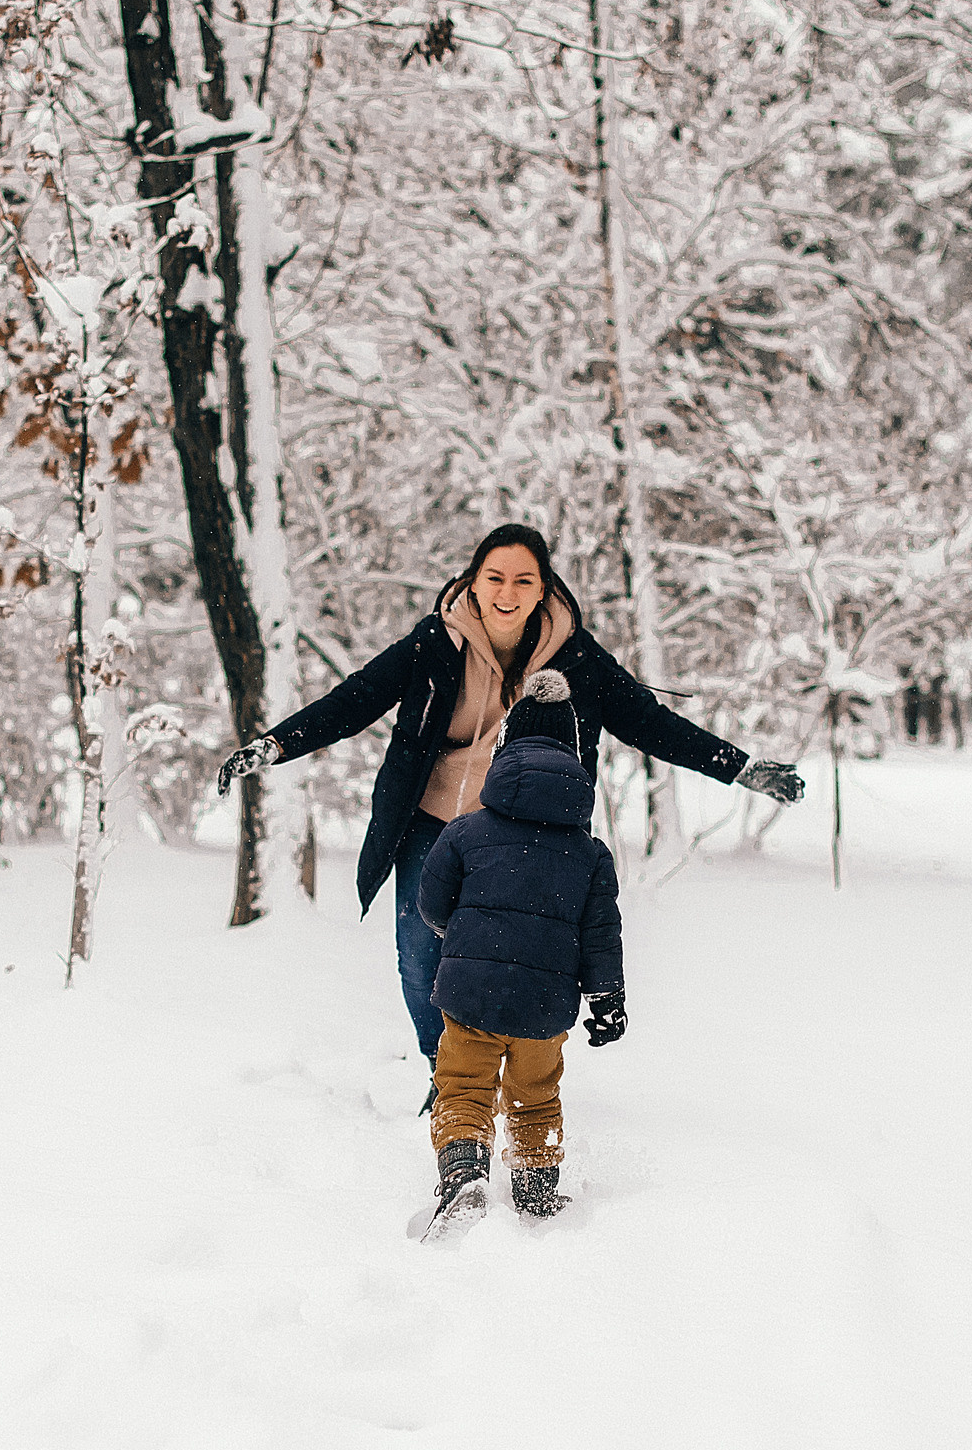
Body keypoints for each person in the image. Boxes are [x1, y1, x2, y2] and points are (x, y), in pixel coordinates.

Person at [215, 523, 802, 1078]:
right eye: (495, 577)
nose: (507, 592)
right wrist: (272, 746)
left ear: (543, 589)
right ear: (473, 580)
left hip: (526, 834)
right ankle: (447, 1075)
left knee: (516, 964)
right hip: (433, 821)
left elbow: (650, 724)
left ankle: (509, 1081)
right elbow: (355, 699)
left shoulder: (574, 656)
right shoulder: (434, 643)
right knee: (419, 955)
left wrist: (742, 768)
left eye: (524, 580)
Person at [414, 671, 623, 1235]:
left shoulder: (465, 831)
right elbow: (602, 935)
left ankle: (463, 1176)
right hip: (544, 1008)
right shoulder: (591, 855)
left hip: (471, 996)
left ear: (502, 752)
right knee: (534, 1098)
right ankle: (535, 1194)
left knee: (464, 1087)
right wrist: (608, 1000)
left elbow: (431, 901)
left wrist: (461, 941)